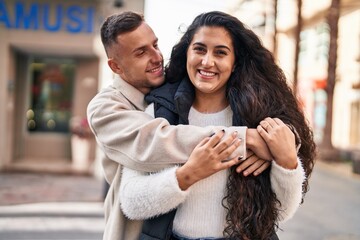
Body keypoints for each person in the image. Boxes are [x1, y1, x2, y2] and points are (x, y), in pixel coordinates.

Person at [118, 11, 316, 240]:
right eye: (199, 49)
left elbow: (282, 212)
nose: (207, 61)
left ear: (234, 63)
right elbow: (131, 202)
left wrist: (286, 161)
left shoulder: (260, 120)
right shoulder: (158, 112)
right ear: (186, 54)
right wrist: (189, 173)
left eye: (220, 52)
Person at [87, 11, 275, 240]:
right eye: (141, 52)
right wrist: (246, 141)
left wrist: (276, 144)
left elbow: (281, 124)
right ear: (116, 67)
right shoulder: (104, 108)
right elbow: (157, 141)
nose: (156, 57)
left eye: (155, 45)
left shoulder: (171, 84)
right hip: (134, 231)